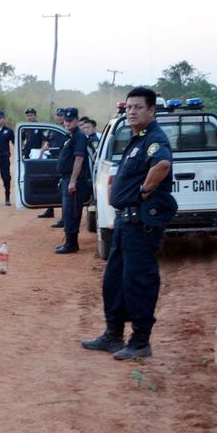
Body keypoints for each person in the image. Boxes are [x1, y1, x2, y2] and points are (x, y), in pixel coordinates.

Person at [81, 87, 173, 360]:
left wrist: (144, 190)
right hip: (125, 224)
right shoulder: (136, 139)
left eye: (138, 107)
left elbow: (163, 165)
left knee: (138, 282)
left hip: (140, 225)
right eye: (129, 107)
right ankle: (113, 335)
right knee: (114, 281)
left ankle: (141, 341)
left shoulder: (154, 138)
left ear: (151, 110)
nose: (131, 112)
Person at [54, 107, 90, 254]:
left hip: (74, 180)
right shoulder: (70, 136)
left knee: (72, 211)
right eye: (65, 120)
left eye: (70, 121)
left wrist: (72, 181)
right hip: (66, 178)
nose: (66, 123)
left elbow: (79, 159)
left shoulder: (79, 136)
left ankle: (72, 244)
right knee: (67, 211)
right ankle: (69, 241)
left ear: (76, 120)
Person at [37, 108, 67, 223]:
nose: (59, 117)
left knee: (63, 188)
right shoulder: (52, 129)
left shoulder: (67, 129)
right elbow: (47, 142)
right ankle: (50, 210)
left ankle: (65, 216)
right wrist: (42, 152)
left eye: (61, 115)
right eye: (57, 115)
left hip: (63, 160)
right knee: (51, 185)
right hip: (52, 159)